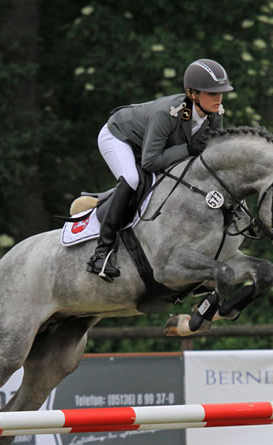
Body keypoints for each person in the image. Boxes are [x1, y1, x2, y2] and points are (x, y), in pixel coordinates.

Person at [87, 58, 234, 282]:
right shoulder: (169, 112)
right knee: (133, 179)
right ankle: (103, 253)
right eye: (212, 93)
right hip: (120, 136)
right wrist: (187, 149)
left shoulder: (216, 114)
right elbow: (150, 162)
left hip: (152, 146)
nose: (218, 98)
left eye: (221, 93)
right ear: (192, 93)